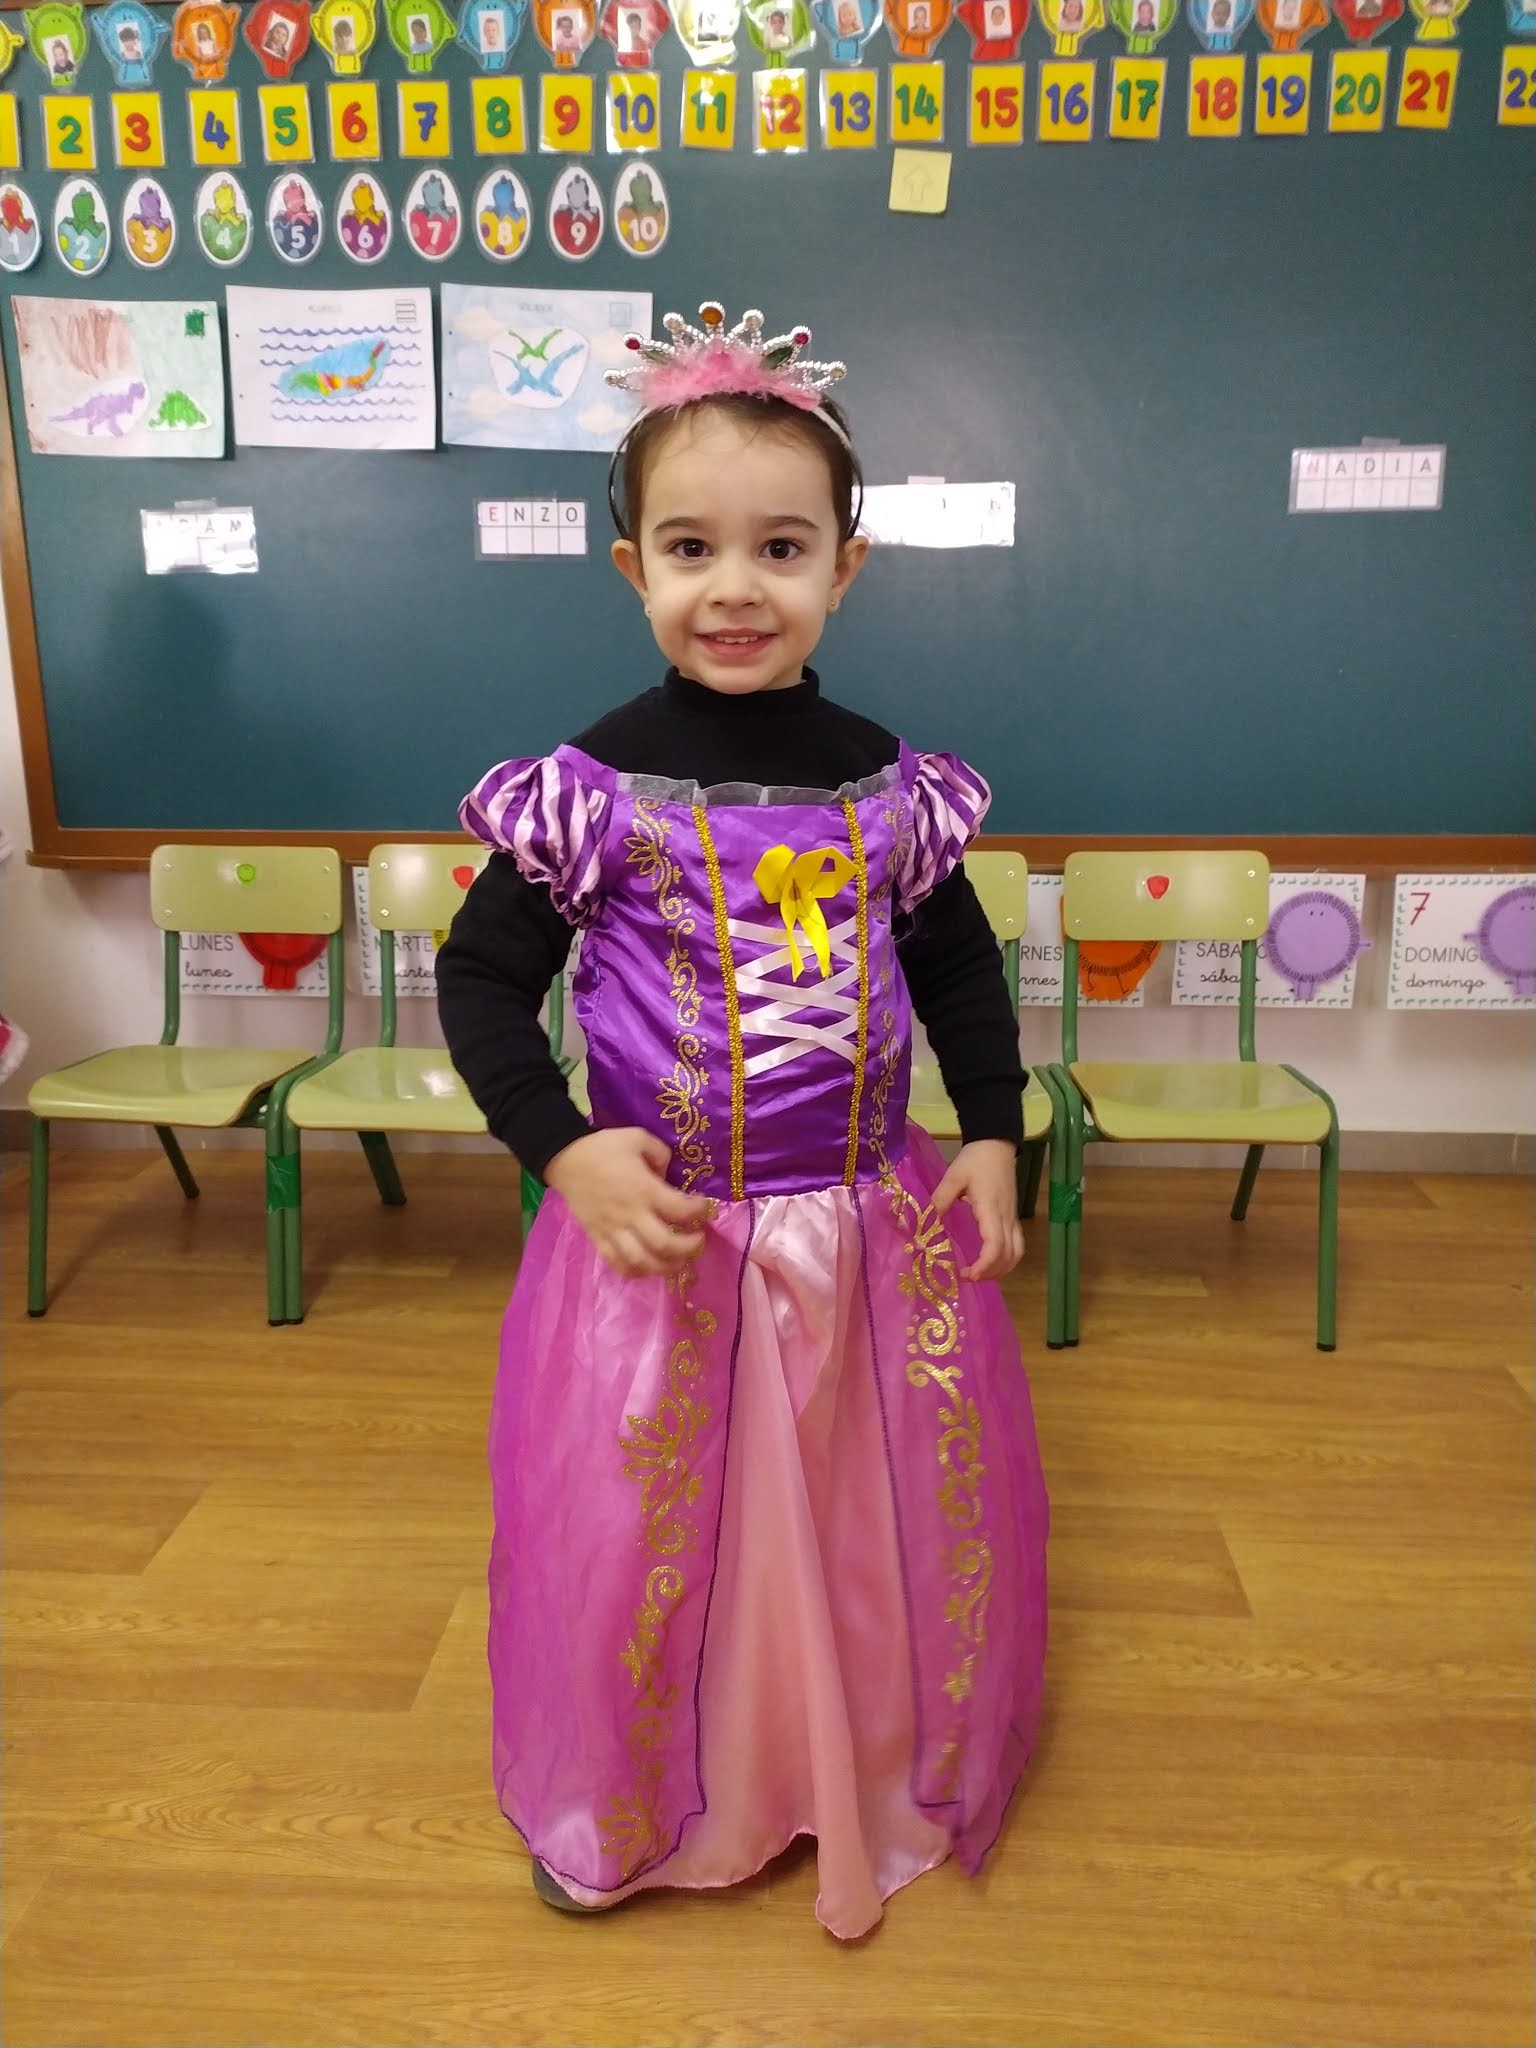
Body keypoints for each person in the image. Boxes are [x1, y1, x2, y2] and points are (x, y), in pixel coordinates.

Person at [435, 302, 1049, 1941]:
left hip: (864, 1232)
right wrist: (561, 1146)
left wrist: (993, 1131)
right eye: (690, 547)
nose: (735, 588)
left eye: (782, 548)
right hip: (668, 1241)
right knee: (652, 1517)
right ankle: (635, 1795)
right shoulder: (595, 791)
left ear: (847, 567)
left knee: (857, 1514)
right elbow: (481, 978)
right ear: (630, 567)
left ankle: (839, 1759)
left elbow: (957, 965)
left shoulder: (887, 784)